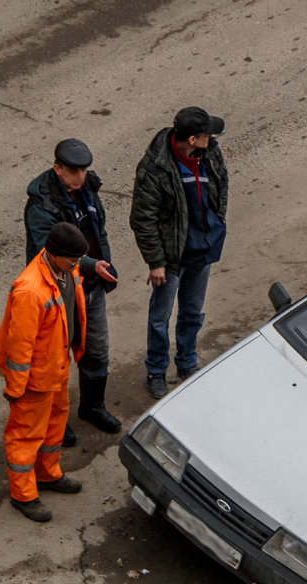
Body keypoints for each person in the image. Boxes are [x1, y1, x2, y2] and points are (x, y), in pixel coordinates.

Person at [24, 138, 121, 444]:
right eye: (74, 170)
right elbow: (50, 253)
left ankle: (92, 407)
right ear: (58, 168)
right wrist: (92, 265)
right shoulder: (42, 205)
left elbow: (98, 227)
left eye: (84, 170)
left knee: (96, 350)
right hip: (59, 292)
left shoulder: (87, 188)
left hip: (89, 288)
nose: (80, 176)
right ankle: (56, 419)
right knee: (56, 359)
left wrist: (100, 262)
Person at [129, 106, 229, 399]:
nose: (212, 137)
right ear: (193, 139)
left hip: (204, 248)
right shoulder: (155, 167)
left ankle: (187, 363)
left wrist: (217, 223)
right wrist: (156, 261)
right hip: (173, 258)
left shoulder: (209, 152)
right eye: (207, 134)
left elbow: (221, 186)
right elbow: (142, 218)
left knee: (192, 312)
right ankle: (157, 370)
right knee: (160, 317)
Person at [0, 222, 88, 523]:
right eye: (73, 260)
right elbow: (19, 348)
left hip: (56, 367)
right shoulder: (30, 291)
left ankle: (47, 473)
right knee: (25, 435)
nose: (77, 265)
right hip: (34, 377)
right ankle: (23, 494)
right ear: (55, 255)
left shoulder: (65, 270)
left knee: (54, 425)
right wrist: (16, 388)